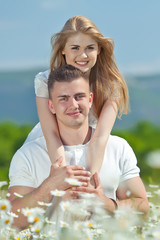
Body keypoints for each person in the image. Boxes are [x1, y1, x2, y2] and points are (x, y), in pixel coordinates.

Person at [8, 65, 148, 229]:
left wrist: (107, 204)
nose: (73, 105)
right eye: (63, 98)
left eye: (79, 96)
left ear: (90, 100)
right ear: (51, 106)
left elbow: (143, 209)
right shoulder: (28, 154)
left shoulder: (118, 147)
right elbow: (10, 221)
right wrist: (50, 186)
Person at [25, 15, 129, 177]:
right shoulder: (45, 81)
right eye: (75, 48)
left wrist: (92, 177)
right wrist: (63, 174)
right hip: (51, 148)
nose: (83, 55)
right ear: (63, 50)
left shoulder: (111, 86)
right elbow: (51, 133)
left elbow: (100, 137)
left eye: (90, 48)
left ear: (99, 49)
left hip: (91, 150)